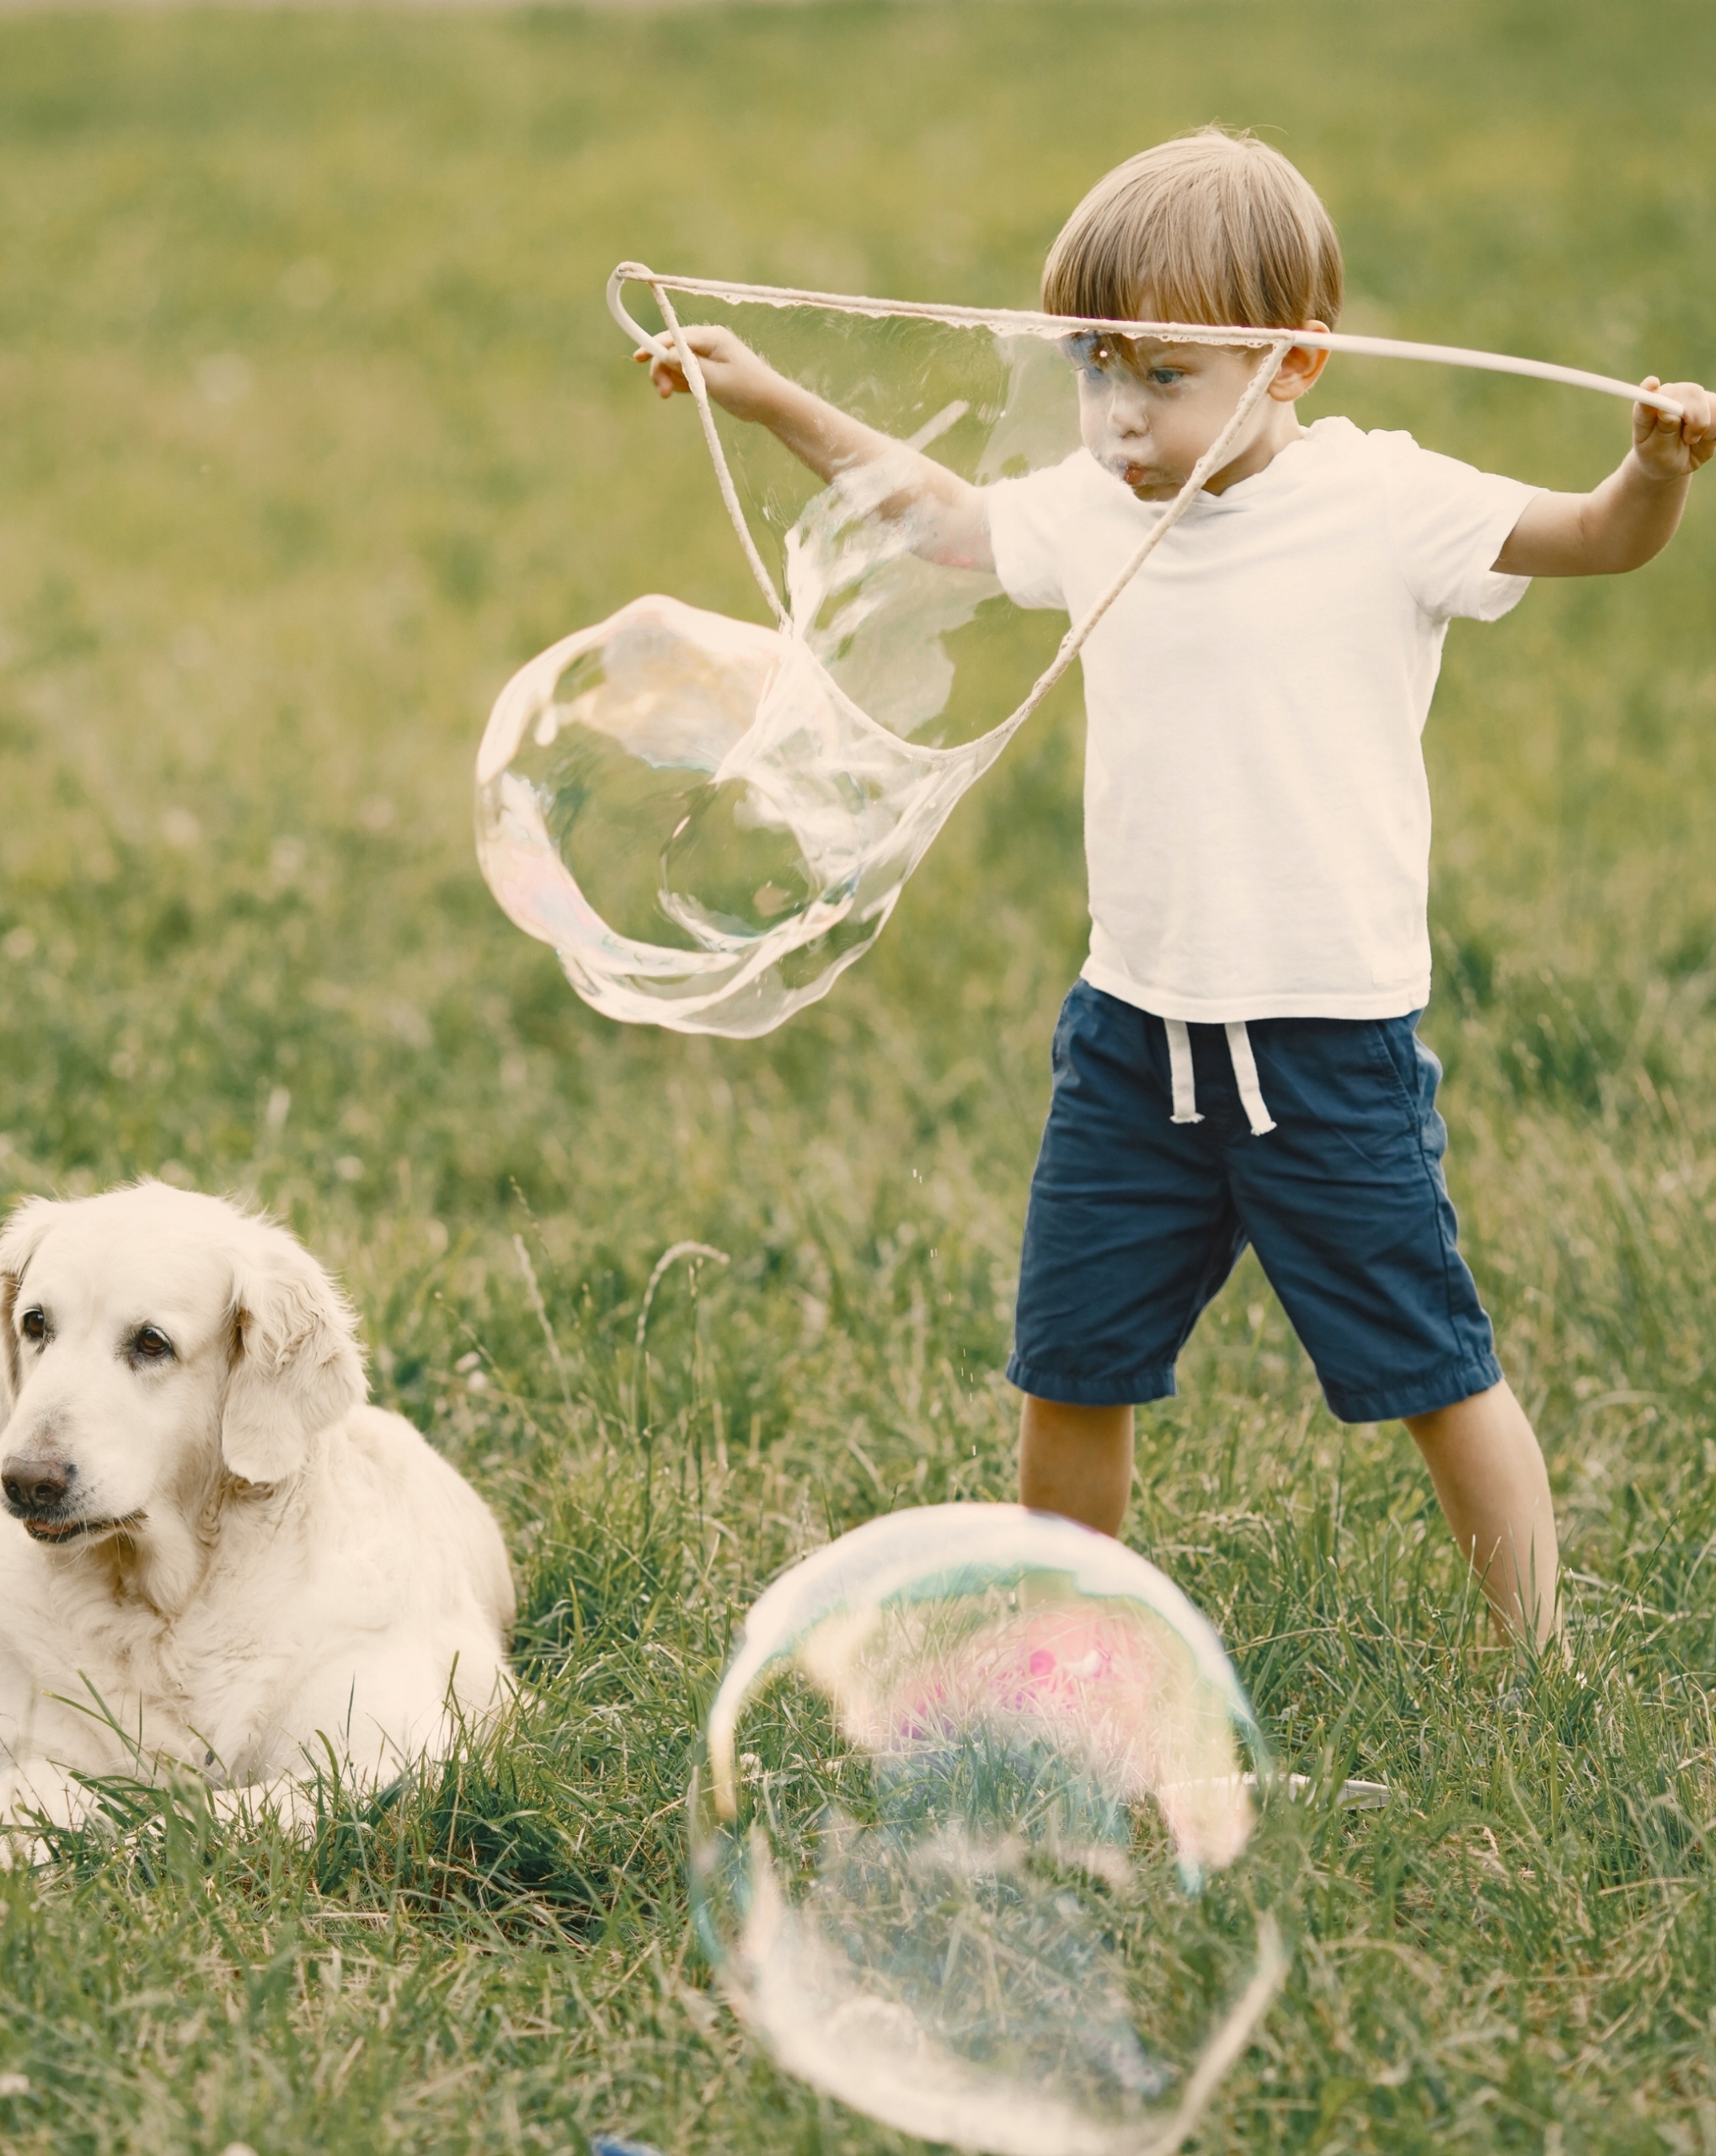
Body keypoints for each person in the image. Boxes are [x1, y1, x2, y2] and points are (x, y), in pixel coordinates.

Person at [636, 127, 1713, 1647]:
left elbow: (1601, 541)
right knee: (1070, 1363)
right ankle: (1060, 1638)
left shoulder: (1389, 505)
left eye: (1163, 375)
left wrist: (1651, 468)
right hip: (1132, 1038)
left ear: (1296, 362)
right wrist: (764, 396)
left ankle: (1531, 1651)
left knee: (1432, 1366)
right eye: (1095, 367)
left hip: (1328, 1046)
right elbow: (942, 521)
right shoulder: (1093, 509)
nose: (1117, 414)